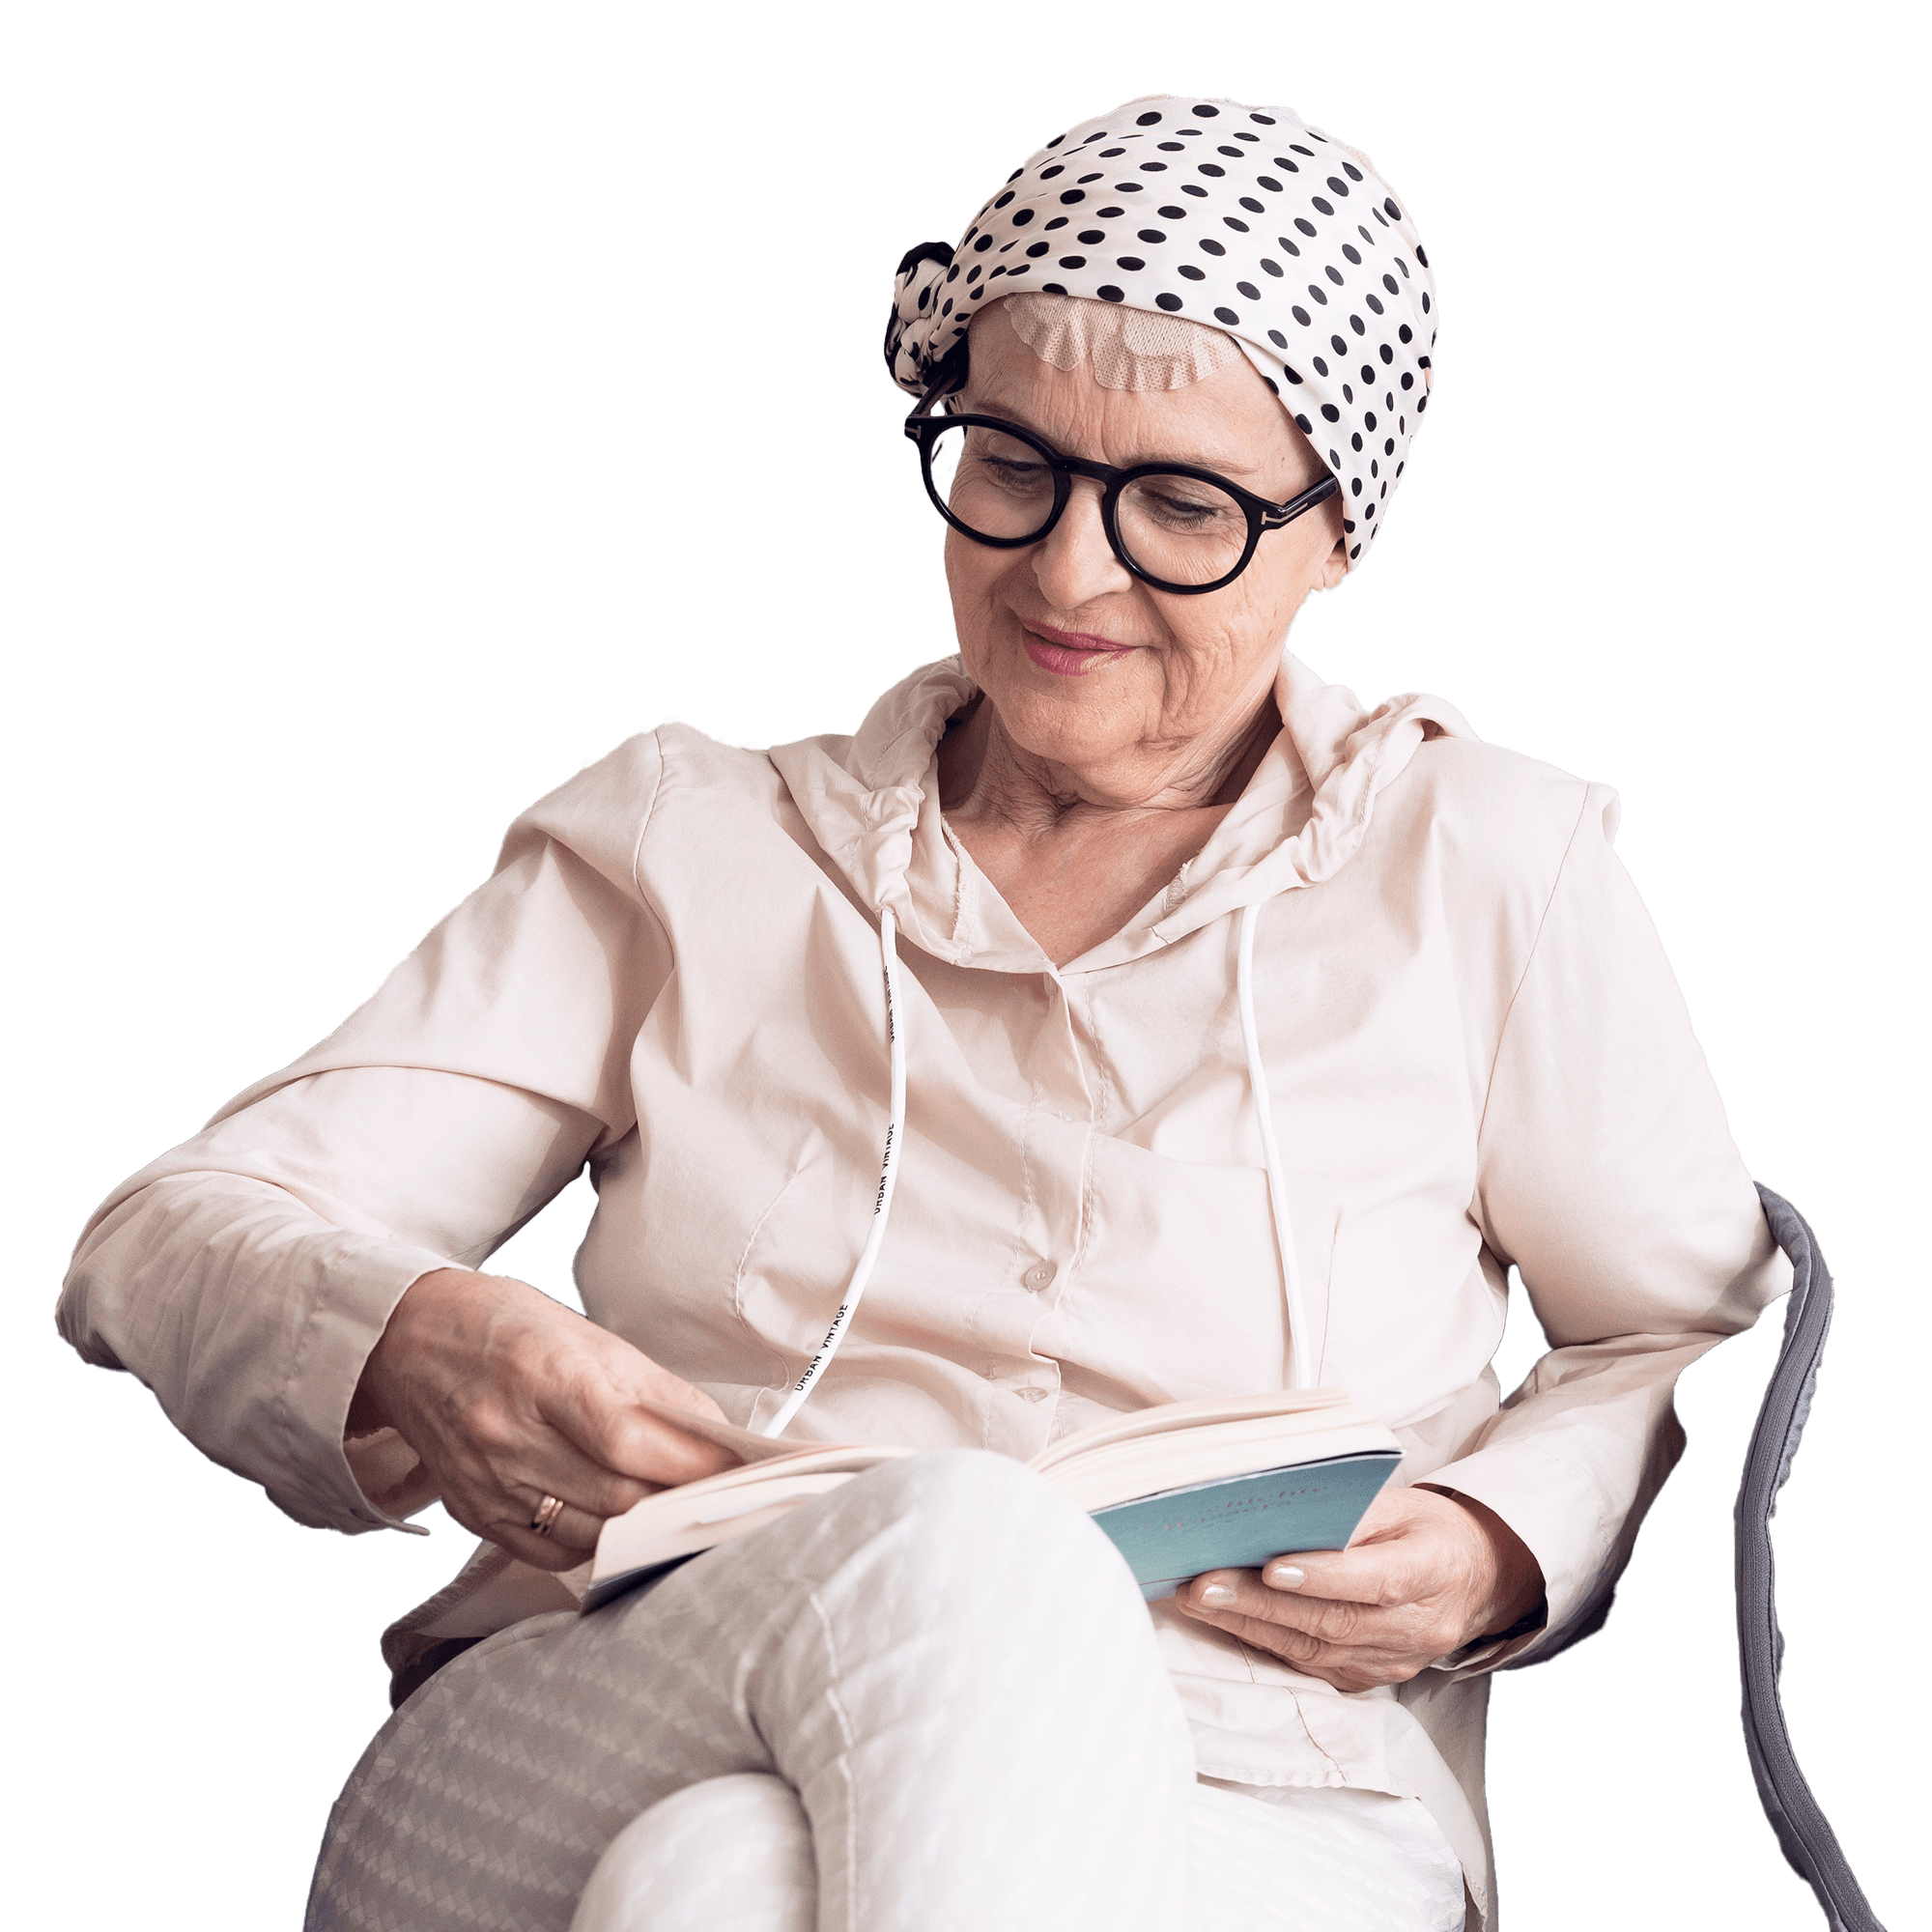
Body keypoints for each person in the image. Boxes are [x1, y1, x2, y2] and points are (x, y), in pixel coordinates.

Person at [55, 93, 1788, 1932]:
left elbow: (1678, 1337)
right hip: (601, 1717)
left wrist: (1504, 1546)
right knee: (969, 1550)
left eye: (1183, 504)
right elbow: (154, 1240)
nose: (1067, 570)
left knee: (719, 1889)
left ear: (1336, 528)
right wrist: (402, 1331)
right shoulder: (688, 837)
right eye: (1013, 463)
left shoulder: (1493, 868)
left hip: (1262, 1795)